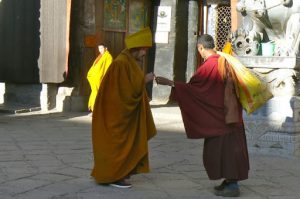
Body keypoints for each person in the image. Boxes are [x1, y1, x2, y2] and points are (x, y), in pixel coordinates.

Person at [155, 34, 249, 197]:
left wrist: (172, 84)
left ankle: (233, 185)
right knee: (227, 150)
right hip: (231, 114)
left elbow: (195, 90)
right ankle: (228, 181)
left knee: (225, 151)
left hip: (221, 117)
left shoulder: (210, 66)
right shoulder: (224, 60)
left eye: (198, 50)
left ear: (200, 48)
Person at [91, 27, 157, 188]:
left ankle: (123, 172)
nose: (144, 54)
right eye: (143, 50)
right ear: (136, 48)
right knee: (117, 146)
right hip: (115, 115)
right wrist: (144, 80)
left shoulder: (129, 62)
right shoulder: (121, 63)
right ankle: (115, 176)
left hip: (124, 115)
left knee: (130, 144)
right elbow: (122, 92)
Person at [87, 44, 113, 112]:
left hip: (101, 78)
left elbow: (108, 68)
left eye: (101, 48)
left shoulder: (108, 57)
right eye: (99, 48)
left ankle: (97, 110)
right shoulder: (100, 56)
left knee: (99, 94)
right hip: (95, 78)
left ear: (106, 48)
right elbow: (95, 66)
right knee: (95, 92)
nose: (100, 50)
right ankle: (94, 109)